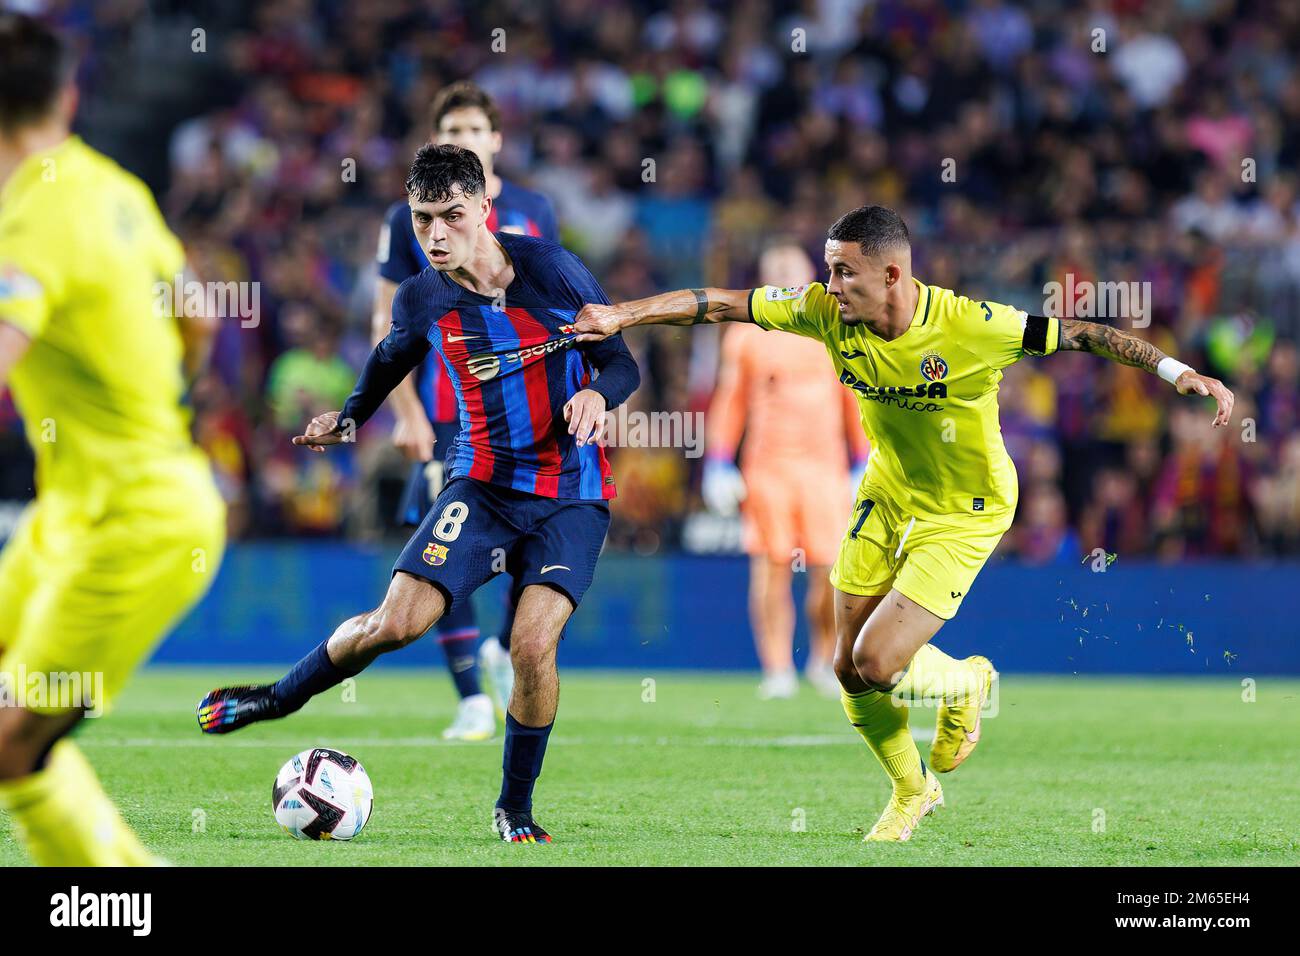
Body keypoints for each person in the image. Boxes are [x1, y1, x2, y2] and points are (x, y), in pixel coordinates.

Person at [572, 204, 1233, 842]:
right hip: (887, 491)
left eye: (844, 273)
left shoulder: (973, 324)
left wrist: (1178, 372)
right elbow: (720, 303)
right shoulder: (823, 313)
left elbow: (1083, 334)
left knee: (877, 660)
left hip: (964, 507)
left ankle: (967, 680)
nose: (830, 287)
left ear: (892, 275)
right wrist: (621, 315)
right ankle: (913, 790)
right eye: (828, 271)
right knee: (847, 670)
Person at [198, 144, 640, 845]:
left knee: (531, 646)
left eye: (451, 216)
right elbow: (390, 357)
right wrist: (349, 416)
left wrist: (593, 392)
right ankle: (277, 698)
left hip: (571, 494)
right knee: (393, 625)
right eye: (422, 218)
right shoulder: (423, 295)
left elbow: (621, 363)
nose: (435, 235)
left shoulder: (553, 271)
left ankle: (514, 809)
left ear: (483, 211)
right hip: (483, 486)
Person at [0, 13, 225, 865]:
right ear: (69, 93)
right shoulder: (114, 189)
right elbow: (199, 320)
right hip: (75, 509)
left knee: (13, 743)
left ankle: (119, 897)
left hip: (136, 524)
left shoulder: (31, 218)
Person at [373, 81, 559, 740]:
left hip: (530, 412)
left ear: (496, 140)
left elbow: (557, 308)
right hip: (448, 411)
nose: (464, 140)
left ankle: (506, 651)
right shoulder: (410, 218)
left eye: (475, 130)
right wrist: (407, 415)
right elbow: (388, 321)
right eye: (451, 131)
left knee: (528, 546)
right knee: (444, 545)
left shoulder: (535, 210)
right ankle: (470, 700)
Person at [704, 240, 866, 699]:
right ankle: (777, 669)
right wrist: (718, 461)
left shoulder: (833, 326)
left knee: (832, 572)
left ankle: (821, 659)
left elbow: (852, 397)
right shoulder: (747, 335)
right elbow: (730, 401)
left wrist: (863, 461)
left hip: (825, 468)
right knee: (770, 570)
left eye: (790, 267)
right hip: (768, 468)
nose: (782, 275)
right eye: (773, 268)